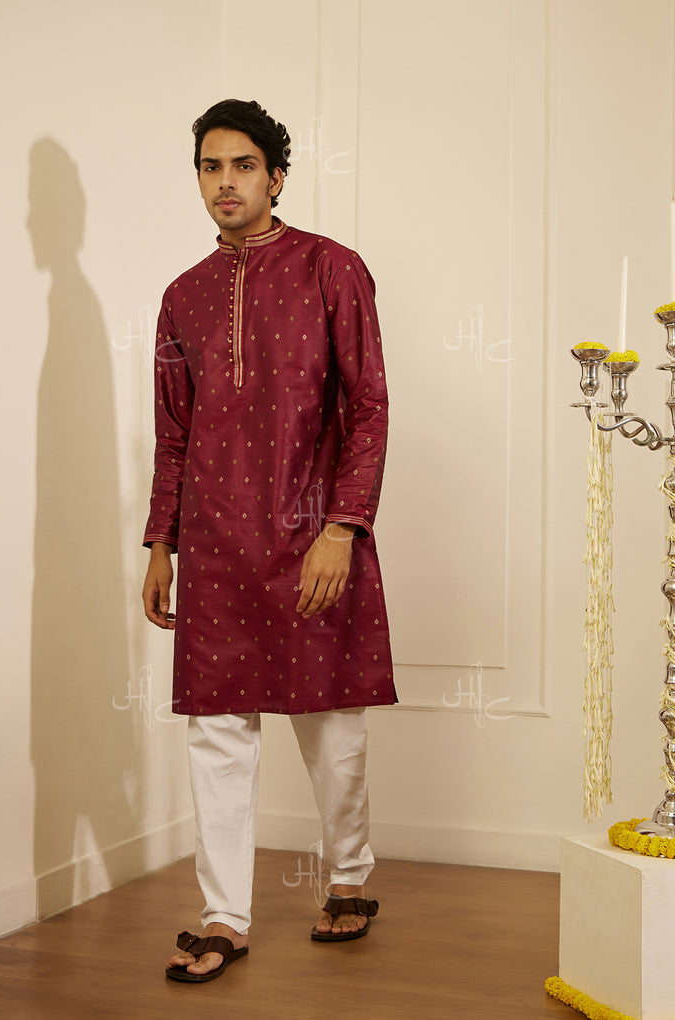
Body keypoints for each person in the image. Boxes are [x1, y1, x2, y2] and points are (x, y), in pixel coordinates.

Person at [142, 98, 396, 984]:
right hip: (214, 542)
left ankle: (350, 875)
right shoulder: (182, 296)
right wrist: (161, 543)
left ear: (276, 176)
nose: (226, 182)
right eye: (210, 167)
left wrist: (342, 527)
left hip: (311, 533)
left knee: (331, 725)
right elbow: (174, 432)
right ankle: (224, 915)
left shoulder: (332, 269)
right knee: (216, 732)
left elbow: (369, 406)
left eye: (243, 165)